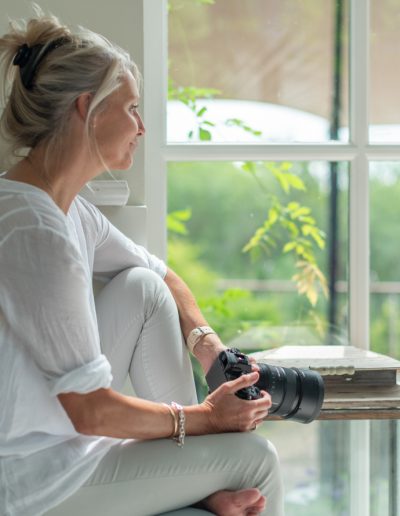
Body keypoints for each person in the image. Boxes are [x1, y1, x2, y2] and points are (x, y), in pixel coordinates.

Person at [0, 7, 284, 516]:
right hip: (30, 478)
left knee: (141, 287)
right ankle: (200, 474)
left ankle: (193, 478)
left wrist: (210, 351)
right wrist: (206, 419)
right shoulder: (33, 230)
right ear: (88, 109)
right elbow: (89, 410)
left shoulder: (66, 211)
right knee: (256, 459)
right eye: (131, 108)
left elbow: (160, 274)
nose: (142, 127)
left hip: (57, 444)